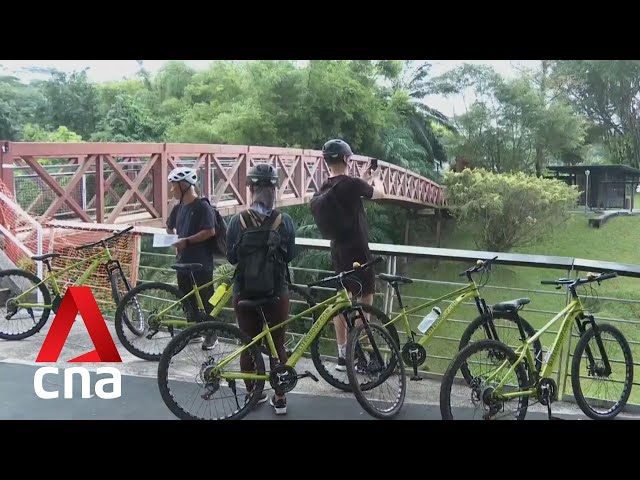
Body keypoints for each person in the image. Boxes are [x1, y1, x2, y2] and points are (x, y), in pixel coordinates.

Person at [226, 163, 297, 415]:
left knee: (249, 344)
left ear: (252, 188)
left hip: (244, 293)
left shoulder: (238, 221)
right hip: (276, 292)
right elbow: (290, 256)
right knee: (277, 345)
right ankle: (279, 398)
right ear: (274, 190)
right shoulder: (283, 221)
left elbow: (232, 258)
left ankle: (252, 394)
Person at [315, 139, 385, 371]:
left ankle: (343, 353)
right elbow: (380, 195)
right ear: (346, 159)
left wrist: (361, 180)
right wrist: (376, 178)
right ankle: (359, 351)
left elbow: (347, 193)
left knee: (342, 299)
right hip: (358, 251)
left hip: (338, 251)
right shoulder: (353, 185)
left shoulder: (325, 188)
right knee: (365, 301)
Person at [166, 167, 218, 350]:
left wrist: (186, 241)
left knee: (207, 298)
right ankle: (193, 331)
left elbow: (210, 231)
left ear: (185, 185)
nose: (172, 190)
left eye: (174, 186)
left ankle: (211, 334)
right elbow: (169, 226)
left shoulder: (202, 206)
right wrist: (174, 239)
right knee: (186, 298)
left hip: (201, 261)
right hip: (183, 260)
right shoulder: (178, 207)